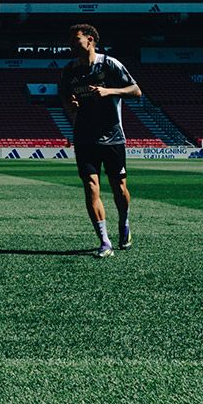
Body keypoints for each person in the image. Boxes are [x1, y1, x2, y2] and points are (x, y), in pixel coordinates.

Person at [61, 23, 142, 258]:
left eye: (76, 39)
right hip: (84, 137)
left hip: (113, 136)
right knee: (90, 187)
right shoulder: (69, 70)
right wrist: (71, 105)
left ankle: (124, 222)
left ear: (90, 40)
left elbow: (136, 91)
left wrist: (110, 91)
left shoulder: (109, 64)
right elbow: (65, 98)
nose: (71, 44)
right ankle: (104, 241)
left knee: (120, 187)